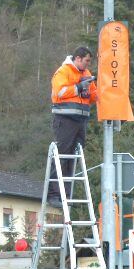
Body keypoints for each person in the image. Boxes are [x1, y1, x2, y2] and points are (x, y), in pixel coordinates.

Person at [47, 46, 98, 206]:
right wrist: (78, 88)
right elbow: (59, 92)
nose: (88, 64)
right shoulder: (63, 71)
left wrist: (97, 91)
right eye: (87, 61)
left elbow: (92, 95)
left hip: (80, 120)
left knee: (73, 158)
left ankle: (66, 195)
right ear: (78, 58)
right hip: (65, 119)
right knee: (62, 155)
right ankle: (55, 195)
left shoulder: (87, 74)